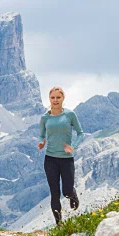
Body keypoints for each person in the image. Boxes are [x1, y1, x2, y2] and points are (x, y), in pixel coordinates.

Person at [37, 86, 84, 226]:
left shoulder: (70, 115)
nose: (55, 100)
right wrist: (41, 142)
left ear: (63, 98)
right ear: (49, 99)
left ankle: (72, 194)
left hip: (66, 160)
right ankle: (59, 224)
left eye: (58, 97)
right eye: (53, 97)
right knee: (55, 193)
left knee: (67, 191)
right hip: (50, 159)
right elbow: (41, 134)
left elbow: (81, 133)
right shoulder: (44, 117)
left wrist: (73, 147)